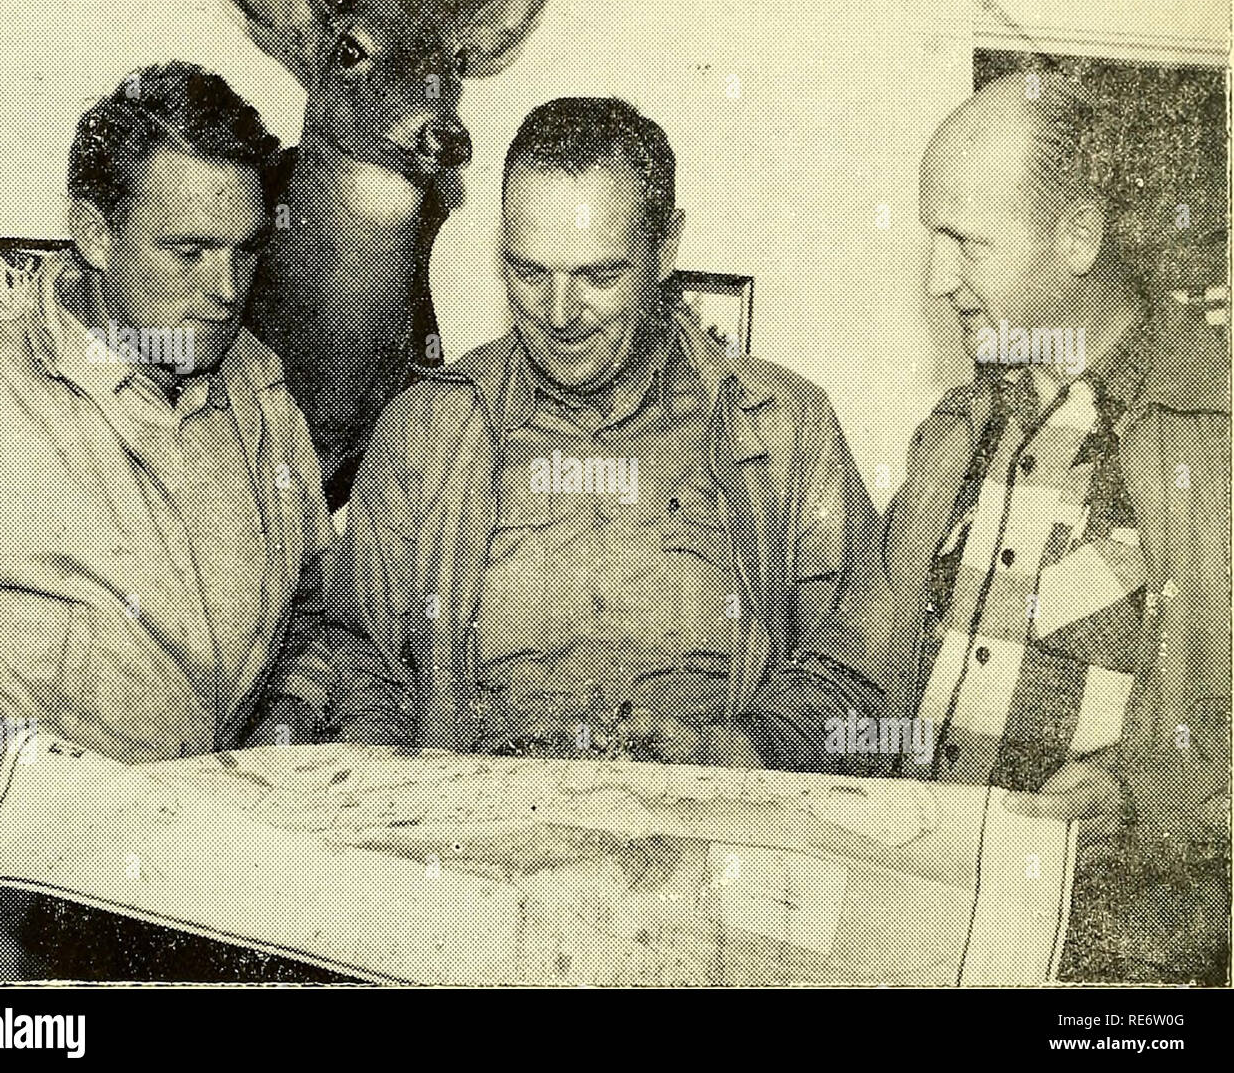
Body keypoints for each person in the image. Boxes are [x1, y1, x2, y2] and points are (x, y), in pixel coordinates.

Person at [327, 96, 882, 769]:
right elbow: (357, 663)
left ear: (666, 247)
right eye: (529, 272)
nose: (559, 314)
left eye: (600, 276)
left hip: (711, 847)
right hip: (480, 854)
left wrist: (729, 753)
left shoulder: (786, 431)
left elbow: (857, 678)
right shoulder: (424, 434)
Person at [870, 70, 1229, 981]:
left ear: (1078, 236)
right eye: (931, 239)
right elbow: (862, 676)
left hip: (1105, 973)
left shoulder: (1218, 436)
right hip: (921, 936)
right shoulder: (950, 436)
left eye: (966, 243)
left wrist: (1142, 798)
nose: (938, 278)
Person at [0, 61, 337, 816]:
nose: (225, 291)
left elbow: (316, 609)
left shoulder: (260, 391)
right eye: (187, 252)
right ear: (94, 234)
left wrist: (290, 719)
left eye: (246, 250)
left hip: (205, 873)